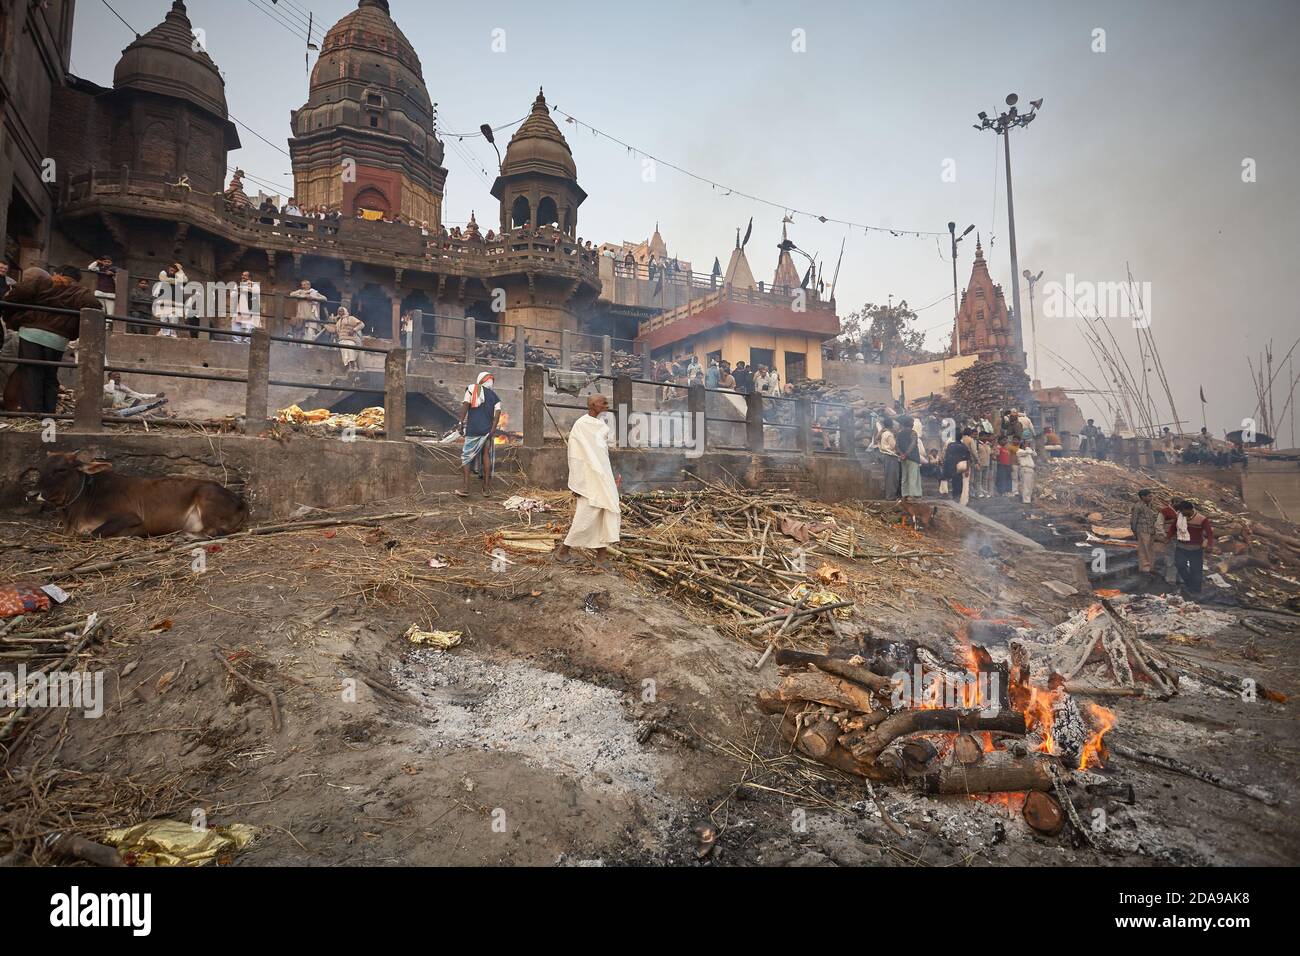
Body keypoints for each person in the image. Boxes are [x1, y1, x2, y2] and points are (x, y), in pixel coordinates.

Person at [2, 266, 102, 412]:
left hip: (31, 333)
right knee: (50, 376)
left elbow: (19, 292)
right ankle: (49, 414)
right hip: (58, 340)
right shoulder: (80, 292)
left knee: (31, 374)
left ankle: (32, 414)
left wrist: (12, 315)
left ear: (58, 273)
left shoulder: (45, 282)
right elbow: (95, 306)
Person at [554, 394, 621, 567]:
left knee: (604, 512)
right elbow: (576, 455)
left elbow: (602, 455)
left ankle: (601, 557)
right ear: (592, 405)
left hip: (602, 477)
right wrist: (577, 482)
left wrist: (609, 476)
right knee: (586, 515)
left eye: (607, 402)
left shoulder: (601, 426)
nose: (606, 405)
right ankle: (563, 551)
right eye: (603, 402)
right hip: (588, 479)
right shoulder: (582, 425)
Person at [457, 372, 502, 498]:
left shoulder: (472, 389)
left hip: (473, 429)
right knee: (485, 456)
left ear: (480, 380)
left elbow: (465, 405)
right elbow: (497, 415)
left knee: (466, 457)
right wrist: (492, 430)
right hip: (487, 431)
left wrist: (460, 422)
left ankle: (465, 488)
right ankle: (486, 489)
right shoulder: (495, 397)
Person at [1171, 499, 1214, 594]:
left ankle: (1196, 591)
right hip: (1181, 547)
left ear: (1189, 509)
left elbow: (1209, 533)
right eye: (1180, 511)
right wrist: (1167, 537)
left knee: (1196, 570)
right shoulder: (1180, 516)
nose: (1182, 512)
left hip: (1196, 549)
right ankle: (1189, 583)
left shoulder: (1202, 519)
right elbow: (1173, 528)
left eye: (1183, 511)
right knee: (1180, 565)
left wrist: (1210, 544)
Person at [1130, 489, 1163, 576]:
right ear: (1143, 497)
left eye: (1151, 496)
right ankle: (1145, 569)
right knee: (1144, 550)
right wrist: (1135, 532)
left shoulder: (1150, 505)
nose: (1151, 498)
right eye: (1149, 496)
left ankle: (1151, 568)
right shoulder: (1137, 506)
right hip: (1142, 531)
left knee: (1151, 549)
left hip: (1151, 531)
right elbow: (1133, 520)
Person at [153, 262, 187, 336]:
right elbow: (162, 281)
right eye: (171, 267)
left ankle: (172, 336)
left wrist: (180, 270)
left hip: (175, 304)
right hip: (164, 303)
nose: (172, 269)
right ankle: (164, 336)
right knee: (163, 319)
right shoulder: (164, 276)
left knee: (173, 319)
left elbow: (185, 280)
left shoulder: (180, 279)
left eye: (175, 268)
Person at [329, 306, 366, 370]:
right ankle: (351, 367)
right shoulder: (338, 322)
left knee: (350, 347)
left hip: (352, 340)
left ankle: (353, 367)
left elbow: (362, 324)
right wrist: (324, 325)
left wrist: (354, 330)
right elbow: (334, 331)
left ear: (345, 311)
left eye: (341, 311)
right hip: (342, 341)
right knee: (345, 348)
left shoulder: (351, 318)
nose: (340, 312)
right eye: (339, 311)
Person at [896, 415, 922, 499]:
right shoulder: (913, 433)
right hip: (912, 457)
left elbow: (896, 446)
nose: (913, 424)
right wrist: (906, 454)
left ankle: (905, 494)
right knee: (913, 476)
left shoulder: (899, 433)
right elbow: (912, 444)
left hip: (903, 458)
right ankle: (912, 494)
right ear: (909, 424)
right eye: (912, 422)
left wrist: (902, 455)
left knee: (905, 476)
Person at [943, 430, 972, 505]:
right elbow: (968, 458)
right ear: (961, 437)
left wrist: (945, 466)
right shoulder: (964, 446)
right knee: (959, 482)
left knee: (950, 481)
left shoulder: (950, 445)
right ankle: (957, 497)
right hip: (960, 467)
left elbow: (946, 456)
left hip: (951, 466)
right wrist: (967, 470)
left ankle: (951, 496)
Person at [230, 271, 260, 342]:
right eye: (242, 275)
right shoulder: (237, 285)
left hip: (249, 308)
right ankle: (236, 342)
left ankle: (247, 342)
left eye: (245, 276)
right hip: (238, 308)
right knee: (236, 325)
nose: (243, 277)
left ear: (249, 277)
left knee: (248, 327)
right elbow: (232, 295)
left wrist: (246, 288)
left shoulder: (254, 285)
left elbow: (256, 291)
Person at [878, 417, 900, 499]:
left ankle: (890, 495)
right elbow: (893, 446)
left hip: (886, 456)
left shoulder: (883, 433)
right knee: (892, 477)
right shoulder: (889, 434)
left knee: (889, 477)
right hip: (891, 456)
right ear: (891, 424)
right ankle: (891, 496)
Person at [977, 432, 995, 497]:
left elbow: (991, 453)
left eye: (986, 437)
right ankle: (979, 493)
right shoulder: (977, 444)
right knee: (979, 480)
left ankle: (985, 492)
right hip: (980, 464)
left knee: (985, 479)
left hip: (987, 464)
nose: (986, 438)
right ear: (980, 437)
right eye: (984, 436)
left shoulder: (988, 444)